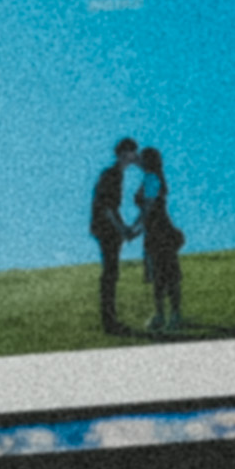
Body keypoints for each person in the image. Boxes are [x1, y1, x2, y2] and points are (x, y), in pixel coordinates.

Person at [136, 146, 187, 337]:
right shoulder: (152, 177)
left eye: (142, 158)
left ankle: (168, 315)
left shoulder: (151, 179)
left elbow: (148, 207)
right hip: (156, 231)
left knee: (163, 273)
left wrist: (134, 228)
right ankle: (167, 315)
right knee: (165, 273)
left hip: (158, 232)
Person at [89, 138, 138, 336]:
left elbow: (112, 208)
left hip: (106, 228)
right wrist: (121, 229)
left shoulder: (116, 174)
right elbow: (107, 207)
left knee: (111, 272)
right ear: (124, 153)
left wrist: (123, 228)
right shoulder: (112, 175)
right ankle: (109, 322)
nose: (135, 156)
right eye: (133, 152)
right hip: (105, 229)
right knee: (110, 273)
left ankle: (110, 320)